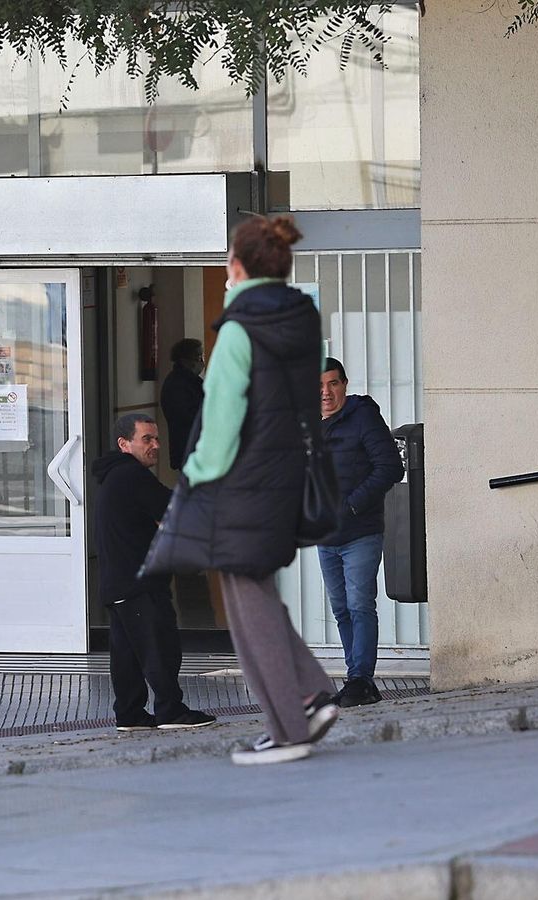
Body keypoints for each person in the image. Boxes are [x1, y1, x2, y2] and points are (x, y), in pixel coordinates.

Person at [144, 215, 341, 765]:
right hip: (285, 478)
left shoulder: (238, 330)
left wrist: (191, 482)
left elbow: (222, 423)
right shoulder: (300, 320)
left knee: (245, 601)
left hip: (242, 482)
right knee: (256, 592)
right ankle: (308, 694)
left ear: (236, 265)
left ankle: (289, 727)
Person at [93, 412, 218, 732]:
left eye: (157, 438)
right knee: (159, 646)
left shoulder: (113, 476)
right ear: (125, 444)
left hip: (117, 583)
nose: (156, 445)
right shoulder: (132, 476)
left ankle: (130, 714)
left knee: (127, 654)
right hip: (139, 582)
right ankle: (170, 710)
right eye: (146, 439)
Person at [318, 357, 405, 707]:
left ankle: (360, 679)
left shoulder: (362, 417)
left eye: (333, 384)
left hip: (360, 531)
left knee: (359, 605)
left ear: (345, 384)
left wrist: (351, 505)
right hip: (325, 535)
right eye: (318, 386)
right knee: (341, 609)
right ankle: (358, 680)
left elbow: (390, 468)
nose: (325, 392)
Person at [160, 338, 206, 470]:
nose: (201, 362)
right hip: (189, 448)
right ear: (186, 360)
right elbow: (189, 416)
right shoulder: (178, 384)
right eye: (198, 357)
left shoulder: (189, 381)